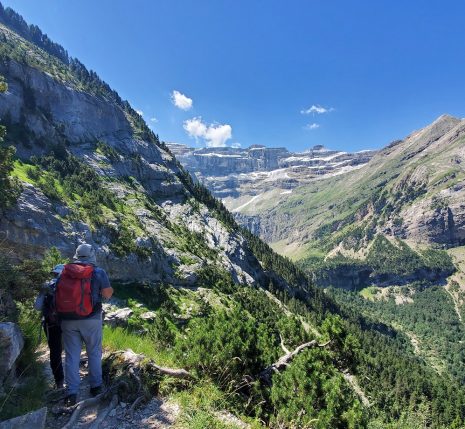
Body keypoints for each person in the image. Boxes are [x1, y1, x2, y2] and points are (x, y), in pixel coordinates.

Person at [57, 244, 113, 406]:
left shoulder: (65, 271)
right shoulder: (98, 272)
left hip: (67, 320)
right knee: (94, 352)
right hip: (91, 319)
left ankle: (72, 392)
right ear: (92, 255)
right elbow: (107, 295)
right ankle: (96, 386)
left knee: (72, 355)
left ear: (76, 255)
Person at [34, 264, 65, 389]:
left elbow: (37, 307)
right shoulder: (73, 286)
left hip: (51, 324)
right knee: (72, 351)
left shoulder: (47, 286)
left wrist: (42, 292)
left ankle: (59, 382)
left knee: (55, 352)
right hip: (71, 322)